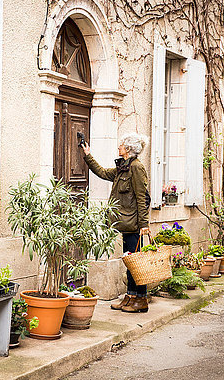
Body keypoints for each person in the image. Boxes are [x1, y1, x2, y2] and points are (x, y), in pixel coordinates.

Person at [80, 133, 151, 313]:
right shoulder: (124, 167)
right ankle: (131, 296)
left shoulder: (136, 168)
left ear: (128, 149)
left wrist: (144, 224)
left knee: (136, 263)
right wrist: (88, 155)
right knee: (130, 261)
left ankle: (141, 299)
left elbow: (142, 197)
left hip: (134, 224)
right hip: (125, 223)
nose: (118, 147)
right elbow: (103, 173)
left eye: (121, 145)